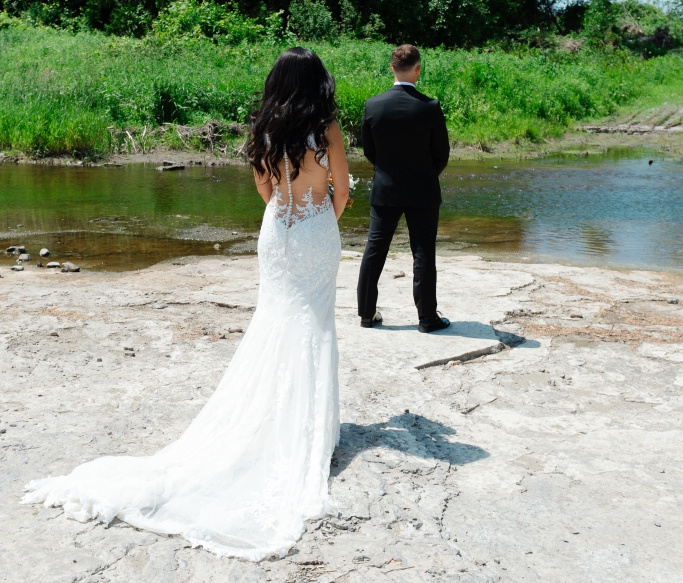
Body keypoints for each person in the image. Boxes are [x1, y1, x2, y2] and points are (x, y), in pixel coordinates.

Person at [22, 47, 348, 561]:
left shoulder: (266, 129)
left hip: (279, 233)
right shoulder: (327, 129)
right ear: (317, 82)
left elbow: (266, 190)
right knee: (315, 325)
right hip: (317, 234)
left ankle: (276, 420)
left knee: (275, 321)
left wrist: (288, 217)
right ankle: (311, 430)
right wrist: (318, 222)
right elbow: (343, 190)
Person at [356, 44, 451, 333]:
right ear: (418, 69)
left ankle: (366, 314)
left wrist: (388, 172)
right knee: (423, 253)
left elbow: (368, 150)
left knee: (374, 250)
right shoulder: (430, 107)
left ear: (391, 69)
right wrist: (422, 175)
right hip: (423, 191)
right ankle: (427, 318)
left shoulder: (373, 105)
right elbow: (442, 154)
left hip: (385, 189)